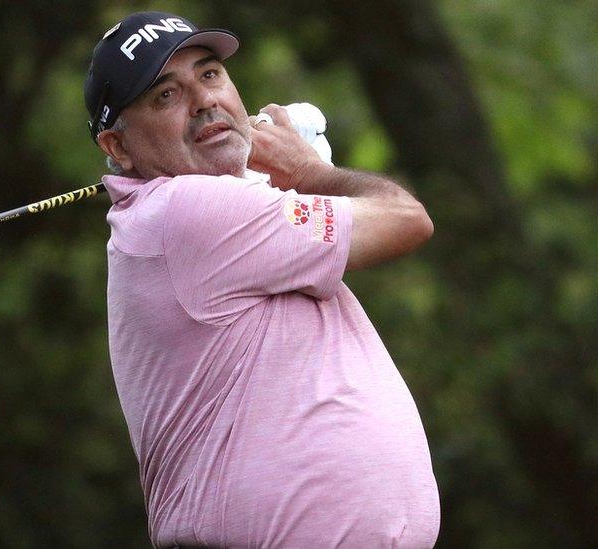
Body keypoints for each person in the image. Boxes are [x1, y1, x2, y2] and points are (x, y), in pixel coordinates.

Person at [84, 11, 440, 548]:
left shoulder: (196, 212)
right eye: (165, 96)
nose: (204, 100)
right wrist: (310, 173)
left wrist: (285, 177)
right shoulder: (186, 211)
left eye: (209, 74)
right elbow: (407, 220)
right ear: (118, 147)